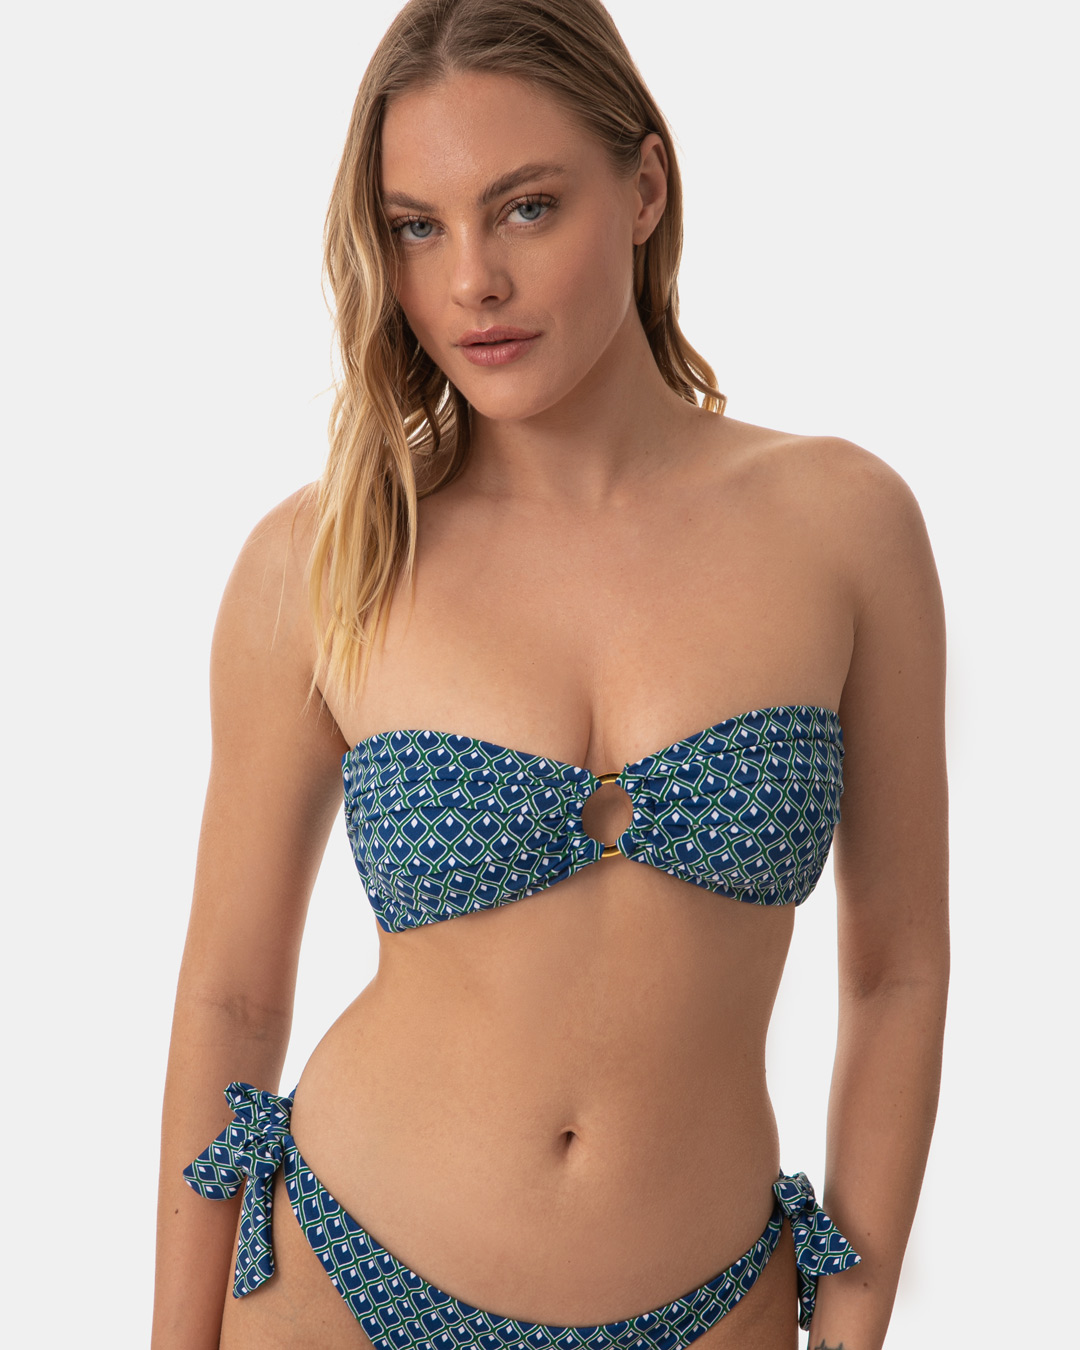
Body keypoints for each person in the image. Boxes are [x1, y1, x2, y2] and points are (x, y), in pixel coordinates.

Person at [152, 1, 949, 1347]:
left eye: (526, 208)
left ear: (644, 189)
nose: (473, 280)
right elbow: (230, 998)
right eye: (417, 226)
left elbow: (897, 975)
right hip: (340, 1281)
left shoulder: (843, 525)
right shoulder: (327, 556)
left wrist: (852, 1326)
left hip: (713, 1306)